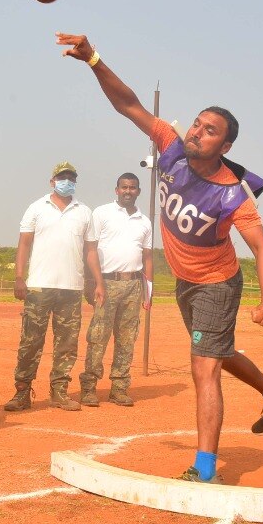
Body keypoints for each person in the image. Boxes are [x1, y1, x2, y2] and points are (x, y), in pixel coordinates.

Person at [55, 33, 263, 485]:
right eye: (196, 123)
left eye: (210, 131)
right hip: (186, 283)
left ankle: (204, 468)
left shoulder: (231, 194)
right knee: (218, 352)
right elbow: (128, 104)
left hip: (217, 284)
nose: (196, 132)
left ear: (225, 147)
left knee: (203, 366)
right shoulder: (169, 147)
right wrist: (93, 59)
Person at [5, 162, 103, 412]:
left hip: (71, 288)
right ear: (52, 181)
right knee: (30, 342)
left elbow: (90, 250)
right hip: (39, 287)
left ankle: (59, 391)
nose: (66, 181)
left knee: (67, 344)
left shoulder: (84, 212)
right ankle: (22, 392)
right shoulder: (37, 208)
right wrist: (19, 277)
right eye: (62, 177)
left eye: (71, 178)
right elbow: (24, 244)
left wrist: (97, 282)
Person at [79, 172, 153, 408]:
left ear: (138, 191)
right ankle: (89, 387)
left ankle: (119, 387)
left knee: (127, 339)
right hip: (106, 283)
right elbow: (89, 248)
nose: (128, 191)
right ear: (116, 190)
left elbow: (147, 256)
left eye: (132, 187)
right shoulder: (101, 213)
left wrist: (147, 289)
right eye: (124, 187)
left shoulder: (144, 221)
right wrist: (91, 281)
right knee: (98, 336)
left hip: (133, 285)